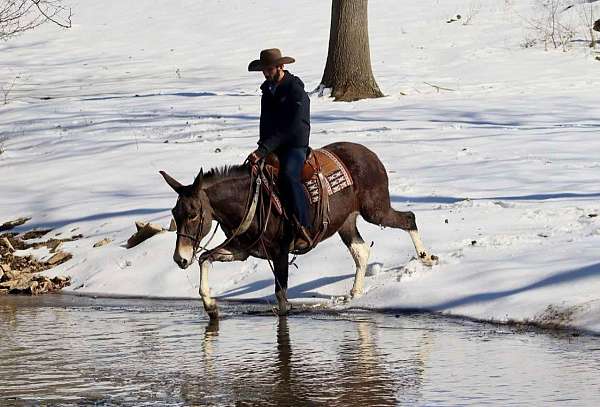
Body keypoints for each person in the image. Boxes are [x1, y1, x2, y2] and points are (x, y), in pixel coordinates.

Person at [246, 48, 312, 244]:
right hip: (273, 144)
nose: (266, 73)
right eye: (264, 70)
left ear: (281, 67)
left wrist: (264, 149)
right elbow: (265, 122)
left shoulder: (295, 90)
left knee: (289, 176)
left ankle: (303, 226)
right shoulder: (267, 90)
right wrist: (260, 147)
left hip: (294, 144)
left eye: (270, 69)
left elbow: (293, 127)